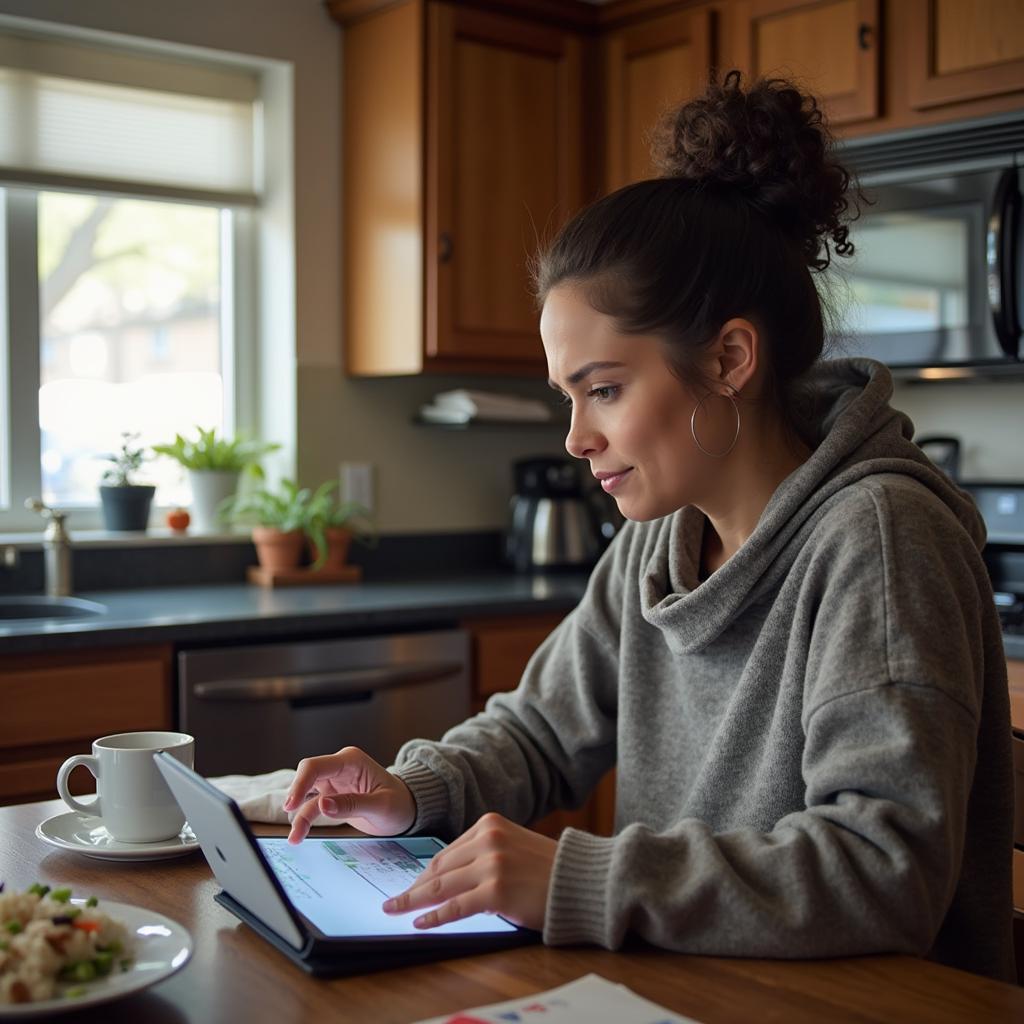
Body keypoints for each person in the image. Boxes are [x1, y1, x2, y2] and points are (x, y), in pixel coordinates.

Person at [284, 70, 1015, 981]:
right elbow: (540, 733)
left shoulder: (880, 537)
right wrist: (410, 791)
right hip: (696, 983)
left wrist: (581, 874)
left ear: (729, 358)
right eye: (570, 395)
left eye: (605, 389)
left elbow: (883, 870)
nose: (577, 435)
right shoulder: (657, 541)